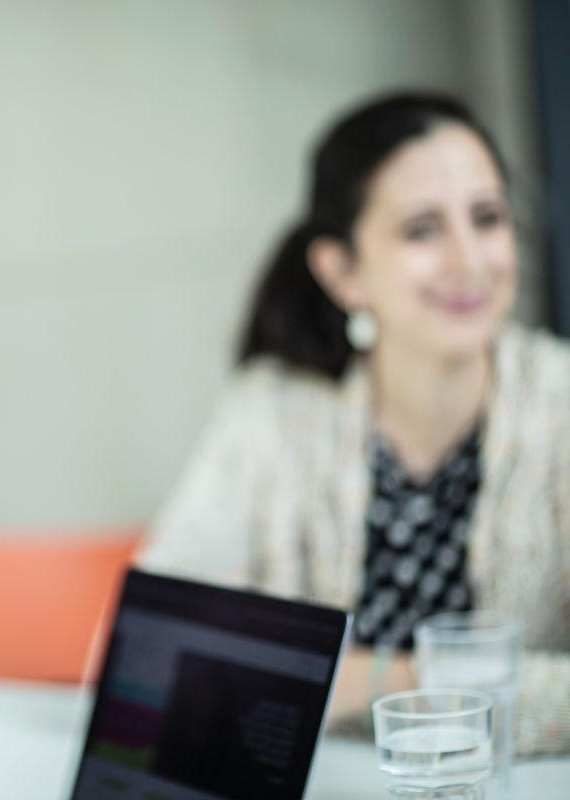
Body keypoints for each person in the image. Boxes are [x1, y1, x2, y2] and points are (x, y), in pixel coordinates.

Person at [136, 92, 570, 756]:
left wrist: (368, 682)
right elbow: (150, 647)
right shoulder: (273, 412)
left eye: (486, 219)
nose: (469, 261)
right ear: (341, 272)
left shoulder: (559, 405)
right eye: (422, 229)